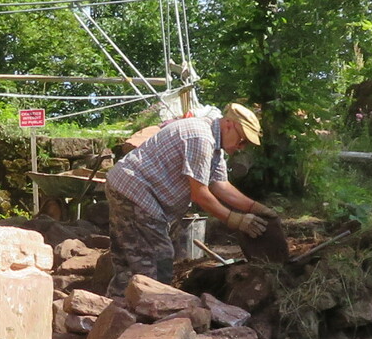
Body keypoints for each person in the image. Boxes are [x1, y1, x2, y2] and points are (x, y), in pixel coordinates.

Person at [103, 102, 280, 288]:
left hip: (128, 188)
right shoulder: (201, 137)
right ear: (229, 125)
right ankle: (148, 304)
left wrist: (257, 208)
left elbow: (220, 185)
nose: (241, 147)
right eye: (242, 140)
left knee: (129, 265)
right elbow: (200, 194)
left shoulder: (215, 148)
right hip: (135, 192)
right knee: (157, 264)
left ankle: (118, 303)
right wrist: (236, 220)